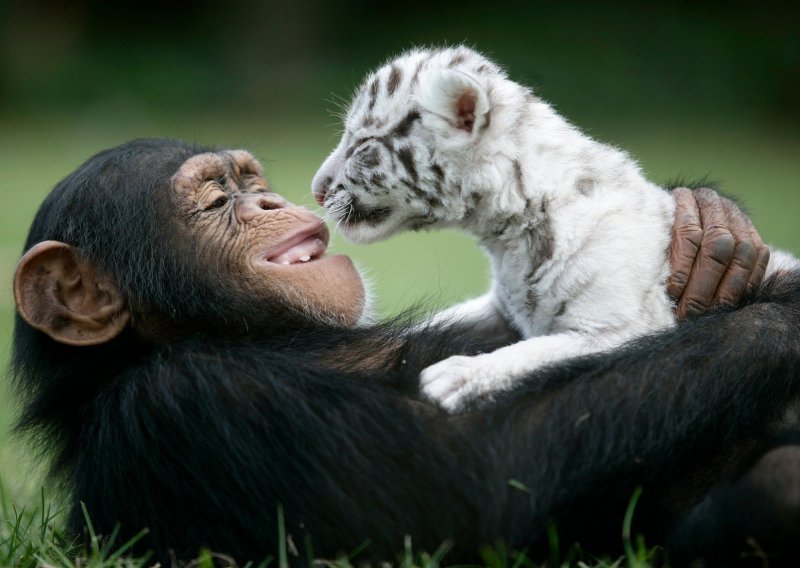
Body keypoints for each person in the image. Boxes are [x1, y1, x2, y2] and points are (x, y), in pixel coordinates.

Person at [11, 139, 799, 566]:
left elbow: (572, 331)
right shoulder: (168, 401)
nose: (276, 205)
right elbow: (483, 488)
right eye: (219, 201)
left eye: (255, 182)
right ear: (81, 296)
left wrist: (684, 237)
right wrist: (768, 332)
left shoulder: (317, 364)